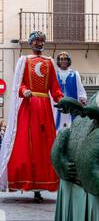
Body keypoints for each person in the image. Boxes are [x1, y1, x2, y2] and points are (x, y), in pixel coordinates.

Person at [0, 31, 64, 202]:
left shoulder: (49, 62)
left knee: (44, 144)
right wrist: (24, 91)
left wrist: (62, 99)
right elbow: (18, 84)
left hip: (44, 107)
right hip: (29, 108)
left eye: (41, 41)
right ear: (30, 43)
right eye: (36, 41)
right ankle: (26, 181)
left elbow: (54, 88)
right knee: (27, 143)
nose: (39, 43)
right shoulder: (24, 61)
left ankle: (42, 184)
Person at [55, 52, 87, 132]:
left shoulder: (74, 74)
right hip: (59, 103)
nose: (63, 61)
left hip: (72, 104)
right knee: (58, 124)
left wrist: (82, 98)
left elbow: (80, 87)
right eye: (61, 59)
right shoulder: (55, 74)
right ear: (58, 61)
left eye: (65, 59)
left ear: (68, 61)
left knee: (71, 124)